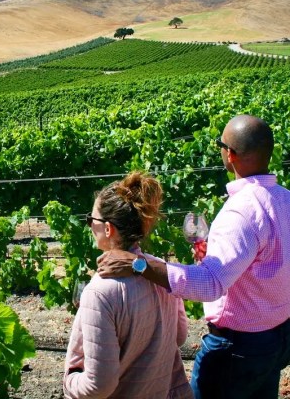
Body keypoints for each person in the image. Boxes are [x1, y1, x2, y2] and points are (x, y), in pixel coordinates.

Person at [97, 114, 290, 399]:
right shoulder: (285, 198)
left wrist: (139, 264)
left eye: (220, 144)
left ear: (230, 155)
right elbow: (265, 261)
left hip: (239, 349)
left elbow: (210, 285)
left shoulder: (241, 211)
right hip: (279, 338)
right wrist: (211, 250)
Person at [63, 171, 193, 399]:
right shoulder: (161, 272)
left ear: (107, 228)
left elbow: (98, 386)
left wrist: (70, 382)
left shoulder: (100, 292)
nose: (89, 226)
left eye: (90, 220)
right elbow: (179, 336)